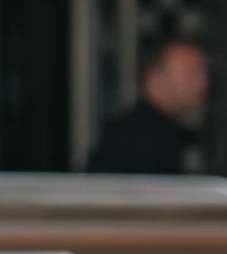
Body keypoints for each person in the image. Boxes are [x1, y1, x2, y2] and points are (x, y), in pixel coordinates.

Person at [87, 38, 210, 175]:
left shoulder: (170, 133)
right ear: (154, 78)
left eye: (203, 73)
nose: (203, 83)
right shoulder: (138, 141)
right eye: (190, 74)